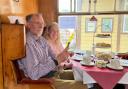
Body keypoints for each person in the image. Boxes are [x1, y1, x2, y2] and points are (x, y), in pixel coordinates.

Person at [18, 13, 88, 89]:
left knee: (85, 77)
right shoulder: (28, 44)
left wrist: (64, 55)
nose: (41, 26)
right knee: (85, 85)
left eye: (42, 23)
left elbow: (55, 57)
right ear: (28, 25)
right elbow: (34, 74)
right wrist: (57, 61)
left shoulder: (42, 40)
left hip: (54, 73)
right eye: (37, 23)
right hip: (44, 81)